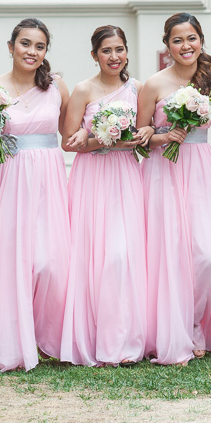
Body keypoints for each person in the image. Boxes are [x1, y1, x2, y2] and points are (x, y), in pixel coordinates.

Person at [0, 18, 71, 371]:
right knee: (9, 262)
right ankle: (7, 340)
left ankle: (47, 337)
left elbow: (70, 137)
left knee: (49, 261)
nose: (32, 51)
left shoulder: (57, 88)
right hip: (8, 179)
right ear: (11, 47)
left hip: (49, 179)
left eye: (39, 46)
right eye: (25, 44)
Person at [137, 12, 211, 365]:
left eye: (191, 38)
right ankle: (174, 328)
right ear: (167, 46)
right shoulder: (154, 84)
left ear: (201, 41)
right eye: (177, 40)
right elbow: (139, 139)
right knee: (169, 252)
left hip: (200, 166)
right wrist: (164, 136)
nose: (185, 46)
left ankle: (194, 320)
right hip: (163, 171)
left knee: (209, 255)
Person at [59, 25, 151, 367]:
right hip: (92, 179)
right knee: (96, 256)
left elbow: (147, 128)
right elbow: (68, 141)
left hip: (126, 176)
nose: (114, 57)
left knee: (123, 256)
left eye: (120, 49)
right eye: (107, 51)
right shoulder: (83, 90)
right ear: (95, 55)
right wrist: (102, 139)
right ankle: (94, 338)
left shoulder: (137, 88)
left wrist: (145, 132)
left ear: (127, 52)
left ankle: (127, 339)